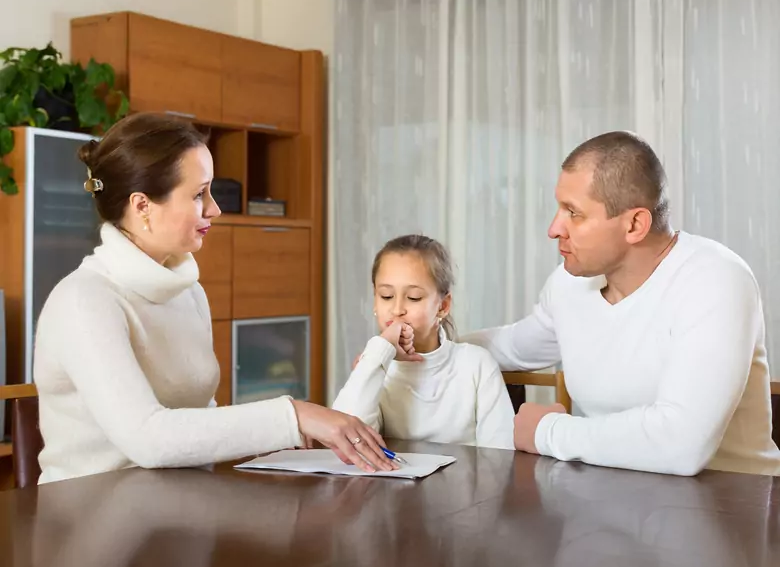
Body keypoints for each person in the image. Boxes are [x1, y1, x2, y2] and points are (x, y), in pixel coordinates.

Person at [33, 112, 395, 485]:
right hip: (88, 518)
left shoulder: (188, 291)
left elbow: (200, 419)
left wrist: (294, 440)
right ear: (142, 205)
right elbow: (149, 439)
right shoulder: (84, 301)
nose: (214, 209)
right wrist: (295, 417)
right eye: (198, 194)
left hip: (173, 506)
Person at [461, 131, 780, 476]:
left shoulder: (716, 279)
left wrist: (545, 431)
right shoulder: (569, 285)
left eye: (574, 213)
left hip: (736, 508)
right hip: (617, 498)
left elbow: (682, 445)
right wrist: (428, 334)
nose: (554, 229)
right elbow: (512, 346)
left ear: (634, 224)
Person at [333, 235, 515, 449]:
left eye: (414, 298)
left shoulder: (476, 365)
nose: (397, 309)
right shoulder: (374, 365)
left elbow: (500, 457)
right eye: (386, 296)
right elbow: (348, 443)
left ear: (443, 306)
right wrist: (375, 356)